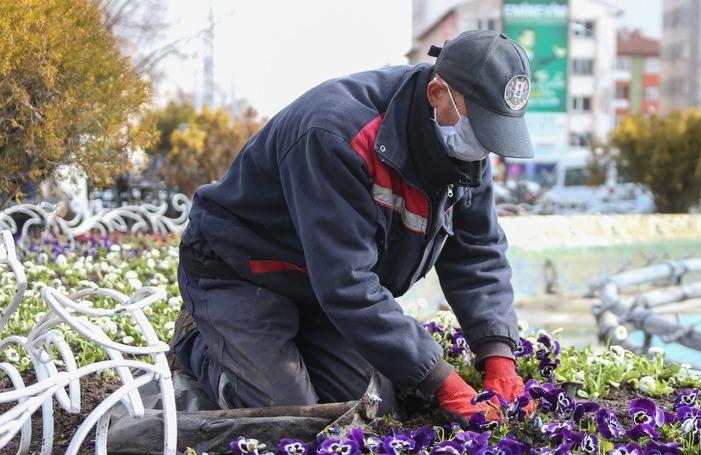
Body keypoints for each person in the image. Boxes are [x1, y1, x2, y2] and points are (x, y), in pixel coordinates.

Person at [169, 30, 535, 420]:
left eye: (495, 132)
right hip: (238, 274)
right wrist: (442, 380)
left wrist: (498, 356)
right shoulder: (336, 134)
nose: (485, 145)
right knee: (287, 414)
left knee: (371, 404)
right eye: (480, 126)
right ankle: (197, 340)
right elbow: (347, 282)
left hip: (315, 285)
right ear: (437, 93)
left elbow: (476, 253)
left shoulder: (465, 152)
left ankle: (282, 348)